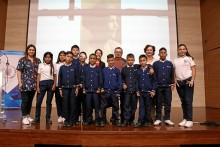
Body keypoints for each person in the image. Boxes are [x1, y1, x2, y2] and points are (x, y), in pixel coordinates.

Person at [17, 44, 41, 125]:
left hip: (33, 84)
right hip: (25, 83)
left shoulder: (38, 61)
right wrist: (20, 82)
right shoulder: (22, 60)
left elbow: (39, 73)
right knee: (25, 100)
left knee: (30, 101)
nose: (31, 51)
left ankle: (28, 116)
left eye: (33, 50)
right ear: (27, 50)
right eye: (30, 50)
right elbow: (19, 71)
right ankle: (24, 117)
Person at [173, 44, 196, 128]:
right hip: (180, 83)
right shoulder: (175, 60)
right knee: (183, 101)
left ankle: (190, 120)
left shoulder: (189, 59)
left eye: (183, 49)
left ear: (186, 50)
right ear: (177, 51)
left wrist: (192, 80)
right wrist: (175, 81)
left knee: (188, 101)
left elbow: (193, 69)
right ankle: (185, 118)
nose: (182, 50)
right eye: (180, 49)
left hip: (188, 82)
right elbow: (174, 71)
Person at [32, 52, 56, 124]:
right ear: (44, 58)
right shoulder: (40, 65)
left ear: (51, 58)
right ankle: (37, 117)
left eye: (49, 57)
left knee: (49, 102)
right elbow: (38, 76)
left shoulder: (53, 66)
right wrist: (37, 86)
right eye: (46, 57)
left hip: (50, 83)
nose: (47, 58)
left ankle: (48, 118)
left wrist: (54, 84)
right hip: (42, 83)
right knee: (38, 101)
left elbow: (55, 76)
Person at [153, 48, 175, 126]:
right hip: (158, 87)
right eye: (161, 53)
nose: (162, 54)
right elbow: (154, 76)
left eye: (164, 53)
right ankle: (158, 118)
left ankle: (167, 118)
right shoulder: (155, 64)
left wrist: (172, 84)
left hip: (167, 87)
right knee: (158, 103)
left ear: (166, 54)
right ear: (159, 54)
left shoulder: (170, 63)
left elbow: (172, 74)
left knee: (167, 103)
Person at [135, 55, 157, 128]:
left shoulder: (150, 70)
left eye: (143, 60)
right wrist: (137, 90)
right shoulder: (138, 70)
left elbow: (154, 81)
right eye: (140, 61)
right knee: (141, 107)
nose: (142, 62)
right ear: (139, 62)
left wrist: (153, 90)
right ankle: (140, 121)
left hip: (148, 92)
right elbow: (137, 81)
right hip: (141, 92)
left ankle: (147, 121)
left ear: (146, 61)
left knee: (148, 107)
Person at [100, 54, 122, 127]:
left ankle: (116, 120)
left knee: (115, 107)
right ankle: (102, 120)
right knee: (103, 107)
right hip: (105, 92)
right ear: (107, 61)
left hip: (114, 92)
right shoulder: (104, 70)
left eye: (112, 60)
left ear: (114, 60)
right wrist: (101, 88)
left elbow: (119, 81)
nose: (110, 62)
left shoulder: (117, 71)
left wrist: (118, 91)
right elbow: (101, 80)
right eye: (109, 60)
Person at [58, 51, 79, 127]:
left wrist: (77, 88)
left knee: (72, 104)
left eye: (70, 57)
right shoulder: (62, 67)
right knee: (65, 104)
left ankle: (72, 120)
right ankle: (66, 119)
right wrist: (60, 89)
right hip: (64, 89)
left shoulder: (75, 67)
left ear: (72, 58)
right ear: (65, 57)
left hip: (73, 89)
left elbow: (77, 78)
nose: (69, 58)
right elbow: (59, 78)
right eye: (67, 56)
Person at [83, 54, 102, 126]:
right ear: (89, 59)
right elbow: (84, 79)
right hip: (88, 91)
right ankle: (89, 120)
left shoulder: (98, 69)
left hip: (95, 91)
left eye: (94, 59)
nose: (92, 60)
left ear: (96, 60)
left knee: (96, 106)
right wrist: (84, 88)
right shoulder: (86, 68)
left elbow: (100, 80)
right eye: (91, 58)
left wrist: (99, 88)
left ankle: (97, 120)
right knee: (88, 106)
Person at [121, 53, 138, 127]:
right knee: (126, 106)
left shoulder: (137, 68)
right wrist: (123, 83)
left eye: (132, 60)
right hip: (127, 91)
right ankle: (125, 120)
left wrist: (150, 67)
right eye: (129, 60)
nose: (130, 61)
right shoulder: (124, 69)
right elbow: (121, 78)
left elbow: (146, 65)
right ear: (126, 60)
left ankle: (131, 120)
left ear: (134, 60)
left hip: (134, 91)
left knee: (133, 106)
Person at [144, 44, 158, 123]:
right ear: (145, 51)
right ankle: (146, 117)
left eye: (151, 50)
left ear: (153, 51)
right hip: (145, 84)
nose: (149, 51)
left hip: (153, 84)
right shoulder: (143, 60)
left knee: (153, 102)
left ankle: (152, 117)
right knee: (145, 102)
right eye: (147, 50)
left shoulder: (156, 61)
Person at [54, 51, 66, 123]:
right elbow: (54, 75)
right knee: (58, 101)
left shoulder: (68, 64)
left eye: (63, 55)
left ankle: (65, 115)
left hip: (66, 86)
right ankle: (60, 115)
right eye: (60, 55)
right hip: (58, 85)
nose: (62, 56)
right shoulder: (55, 65)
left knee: (65, 101)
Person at [77, 52, 88, 125]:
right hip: (78, 87)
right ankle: (78, 117)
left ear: (86, 57)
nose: (82, 57)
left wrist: (84, 85)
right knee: (77, 103)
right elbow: (75, 76)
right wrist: (79, 84)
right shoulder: (76, 66)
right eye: (80, 56)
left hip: (85, 87)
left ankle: (85, 119)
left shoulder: (88, 66)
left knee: (85, 104)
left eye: (83, 56)